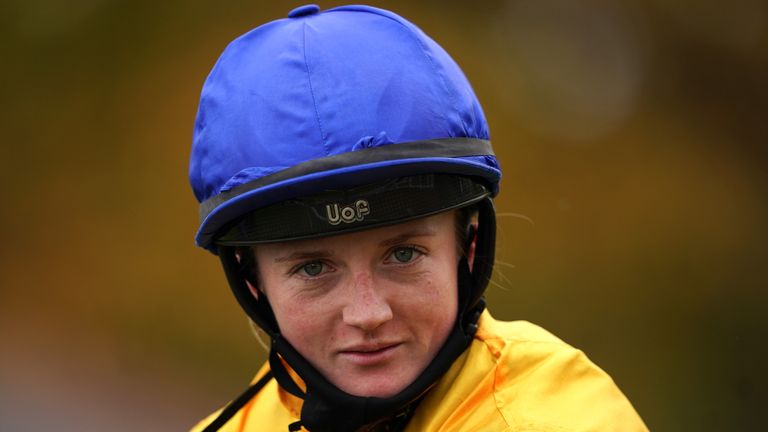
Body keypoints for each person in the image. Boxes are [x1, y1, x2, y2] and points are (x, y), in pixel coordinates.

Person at [188, 5, 648, 432]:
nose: (367, 314)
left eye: (403, 254)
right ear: (254, 281)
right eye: (312, 268)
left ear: (467, 248)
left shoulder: (555, 419)